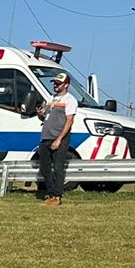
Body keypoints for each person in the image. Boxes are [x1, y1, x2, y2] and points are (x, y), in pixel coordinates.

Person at [37, 72, 78, 205]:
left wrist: (59, 139)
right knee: (44, 168)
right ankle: (51, 192)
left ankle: (57, 195)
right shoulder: (51, 98)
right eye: (55, 83)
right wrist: (40, 115)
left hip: (59, 138)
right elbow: (45, 117)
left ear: (66, 85)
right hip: (46, 136)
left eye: (58, 83)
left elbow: (69, 121)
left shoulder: (70, 100)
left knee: (58, 168)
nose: (55, 85)